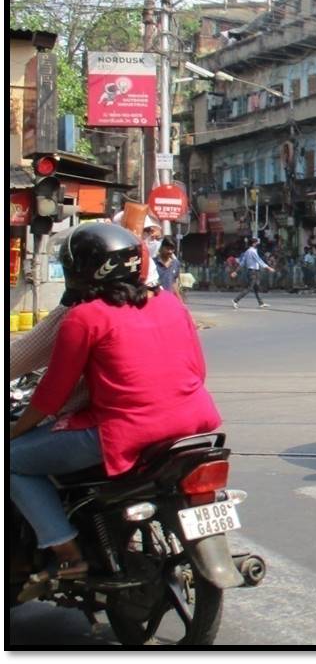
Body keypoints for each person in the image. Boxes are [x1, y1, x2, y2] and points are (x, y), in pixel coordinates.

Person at [8, 223, 221, 585]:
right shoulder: (170, 303)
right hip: (194, 424)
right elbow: (197, 371)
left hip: (124, 432)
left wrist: (15, 431)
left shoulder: (83, 317)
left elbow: (51, 397)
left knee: (9, 460)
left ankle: (66, 553)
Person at [232, 237, 275, 309]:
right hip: (253, 272)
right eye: (256, 243)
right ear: (253, 244)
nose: (257, 244)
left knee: (256, 288)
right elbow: (259, 261)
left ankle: (261, 303)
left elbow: (242, 263)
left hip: (252, 271)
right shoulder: (253, 251)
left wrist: (236, 271)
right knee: (250, 288)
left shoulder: (247, 251)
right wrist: (269, 268)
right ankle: (235, 300)